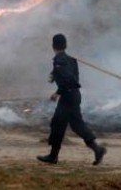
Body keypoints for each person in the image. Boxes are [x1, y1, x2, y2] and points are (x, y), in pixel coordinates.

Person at [37, 34, 106, 165]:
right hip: (73, 96)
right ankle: (97, 149)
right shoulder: (70, 60)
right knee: (72, 124)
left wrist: (57, 92)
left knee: (60, 124)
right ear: (65, 45)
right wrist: (53, 75)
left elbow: (68, 80)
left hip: (67, 97)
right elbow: (71, 77)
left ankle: (53, 156)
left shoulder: (60, 61)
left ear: (53, 46)